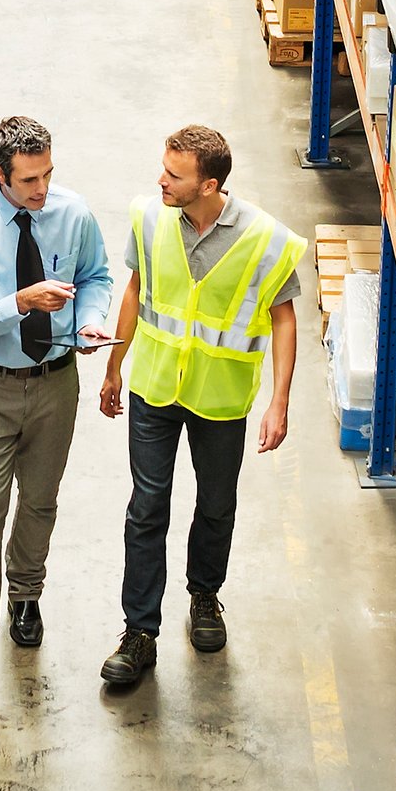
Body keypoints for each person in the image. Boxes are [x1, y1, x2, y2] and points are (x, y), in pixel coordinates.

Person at [94, 124, 304, 696]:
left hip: (220, 397)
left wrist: (278, 401)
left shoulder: (266, 240)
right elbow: (136, 289)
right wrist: (115, 366)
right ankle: (139, 633)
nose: (160, 181)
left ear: (209, 184)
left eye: (174, 175)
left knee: (215, 505)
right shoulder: (149, 216)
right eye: (163, 169)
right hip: (155, 389)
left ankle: (204, 596)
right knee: (147, 506)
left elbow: (284, 318)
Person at [0, 113, 116, 704]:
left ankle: (25, 596)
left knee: (40, 501)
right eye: (29, 181)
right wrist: (20, 302)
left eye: (47, 175)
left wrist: (90, 319)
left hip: (54, 384)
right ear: (0, 175)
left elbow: (96, 275)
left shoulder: (72, 213)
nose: (42, 191)